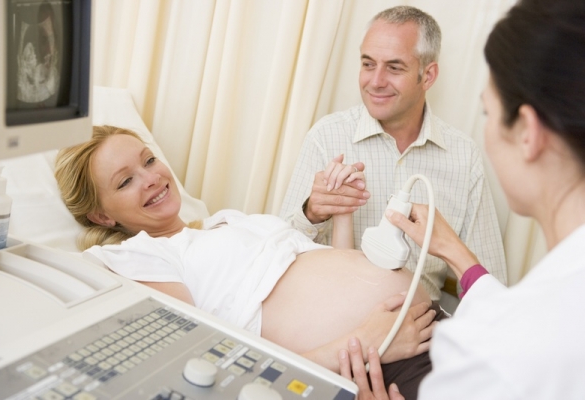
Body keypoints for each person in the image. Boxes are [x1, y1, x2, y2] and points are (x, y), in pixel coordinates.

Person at [54, 125, 446, 398]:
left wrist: (343, 208)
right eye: (125, 181)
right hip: (379, 371)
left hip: (431, 330)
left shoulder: (225, 221)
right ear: (102, 217)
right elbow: (202, 366)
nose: (152, 178)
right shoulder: (136, 257)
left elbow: (320, 271)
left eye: (149, 161)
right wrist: (361, 347)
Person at [339, 0, 585, 398]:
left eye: (488, 113)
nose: (376, 79)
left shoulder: (482, 356)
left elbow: (508, 335)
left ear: (528, 132)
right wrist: (452, 249)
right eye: (368, 63)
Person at [279, 5, 507, 301]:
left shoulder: (464, 158)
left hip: (416, 329)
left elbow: (490, 282)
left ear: (428, 76)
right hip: (331, 315)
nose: (375, 81)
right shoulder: (326, 137)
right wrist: (312, 213)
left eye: (395, 67)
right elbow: (278, 252)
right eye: (368, 64)